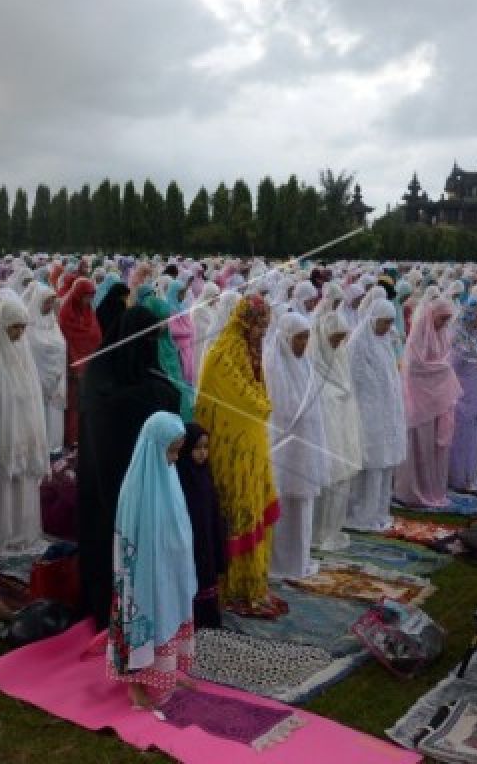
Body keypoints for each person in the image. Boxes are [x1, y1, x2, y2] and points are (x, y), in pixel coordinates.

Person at [77, 305, 180, 628]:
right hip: (108, 480)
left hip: (143, 483)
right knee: (111, 544)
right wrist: (152, 396)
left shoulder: (140, 369)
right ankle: (112, 610)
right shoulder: (101, 372)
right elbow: (111, 413)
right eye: (148, 338)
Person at [194, 295, 284, 618]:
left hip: (253, 444)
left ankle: (253, 581)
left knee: (255, 505)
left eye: (265, 325)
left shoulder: (250, 350)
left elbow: (258, 393)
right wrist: (263, 408)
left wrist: (262, 407)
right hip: (232, 450)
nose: (262, 331)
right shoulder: (223, 353)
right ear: (245, 321)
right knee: (239, 508)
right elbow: (242, 399)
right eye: (259, 324)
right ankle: (233, 584)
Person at [107, 411, 197, 709]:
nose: (174, 457)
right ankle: (136, 685)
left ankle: (166, 670)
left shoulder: (167, 475)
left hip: (168, 570)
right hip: (144, 576)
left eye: (178, 451)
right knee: (144, 622)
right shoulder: (137, 487)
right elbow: (132, 540)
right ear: (153, 447)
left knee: (169, 615)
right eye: (170, 450)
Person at [0, 295, 50, 555]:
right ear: (2, 325)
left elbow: (32, 390)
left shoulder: (22, 349)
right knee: (0, 482)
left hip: (22, 430)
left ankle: (21, 532)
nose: (19, 333)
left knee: (21, 481)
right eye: (14, 327)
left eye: (22, 327)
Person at [265, 312, 329, 579]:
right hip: (284, 446)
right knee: (283, 503)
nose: (303, 343)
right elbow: (281, 407)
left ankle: (299, 560)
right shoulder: (273, 364)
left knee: (302, 504)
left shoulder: (305, 365)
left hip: (306, 444)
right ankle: (280, 563)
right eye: (299, 338)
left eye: (306, 338)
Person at [346, 300, 407, 531]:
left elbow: (390, 375)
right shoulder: (358, 344)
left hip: (386, 411)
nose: (387, 327)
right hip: (367, 413)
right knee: (370, 464)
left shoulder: (384, 342)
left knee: (385, 463)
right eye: (384, 322)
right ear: (373, 319)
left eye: (390, 322)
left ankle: (380, 511)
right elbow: (356, 379)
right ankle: (363, 513)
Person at [395, 297, 462, 508]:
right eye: (441, 318)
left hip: (438, 400)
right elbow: (414, 367)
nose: (443, 323)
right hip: (421, 401)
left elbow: (446, 360)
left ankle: (434, 489)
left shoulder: (442, 335)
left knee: (437, 448)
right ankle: (413, 491)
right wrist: (441, 370)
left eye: (447, 319)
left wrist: (441, 370)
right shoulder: (418, 337)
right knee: (420, 446)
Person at [310, 311, 363, 551]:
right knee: (324, 480)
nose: (337, 343)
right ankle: (317, 532)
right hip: (323, 435)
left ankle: (332, 529)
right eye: (334, 338)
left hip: (341, 429)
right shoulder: (313, 361)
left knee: (341, 480)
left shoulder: (339, 355)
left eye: (341, 338)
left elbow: (345, 384)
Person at [175, 422, 226, 629]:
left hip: (206, 538)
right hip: (189, 540)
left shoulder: (205, 474)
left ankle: (208, 621)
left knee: (207, 579)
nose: (202, 453)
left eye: (206, 448)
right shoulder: (179, 476)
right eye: (197, 448)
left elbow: (213, 510)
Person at [448, 299, 477, 491]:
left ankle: (470, 475)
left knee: (474, 438)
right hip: (463, 395)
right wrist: (475, 363)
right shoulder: (456, 335)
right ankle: (458, 478)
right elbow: (454, 364)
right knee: (460, 438)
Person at [22, 281, 68, 451]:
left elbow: (60, 344)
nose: (50, 305)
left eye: (51, 301)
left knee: (54, 413)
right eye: (46, 301)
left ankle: (54, 446)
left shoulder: (52, 322)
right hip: (37, 377)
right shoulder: (29, 325)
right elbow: (33, 348)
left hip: (55, 377)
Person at [58, 277, 101, 447]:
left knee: (87, 402)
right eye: (86, 296)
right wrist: (75, 364)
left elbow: (95, 335)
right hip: (74, 366)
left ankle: (84, 435)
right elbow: (67, 341)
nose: (89, 300)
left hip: (89, 364)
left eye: (91, 296)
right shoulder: (66, 313)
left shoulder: (89, 311)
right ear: (77, 295)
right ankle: (72, 437)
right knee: (74, 404)